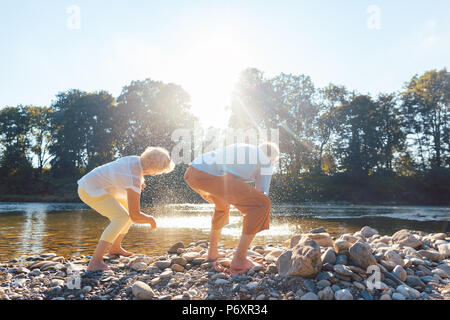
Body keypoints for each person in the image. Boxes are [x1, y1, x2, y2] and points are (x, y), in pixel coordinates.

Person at [184, 142, 279, 275]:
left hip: (192, 173)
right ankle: (239, 259)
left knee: (222, 206)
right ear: (272, 158)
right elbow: (261, 194)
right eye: (273, 161)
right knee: (262, 204)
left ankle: (212, 252)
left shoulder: (246, 149)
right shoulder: (266, 162)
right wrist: (253, 217)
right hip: (212, 175)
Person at [77, 147, 175, 272]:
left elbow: (128, 172)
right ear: (154, 169)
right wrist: (150, 219)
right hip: (90, 190)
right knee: (122, 217)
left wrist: (140, 182)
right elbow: (135, 216)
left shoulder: (136, 160)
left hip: (94, 185)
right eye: (158, 171)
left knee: (125, 213)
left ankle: (115, 247)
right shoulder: (134, 179)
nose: (156, 174)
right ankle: (95, 262)